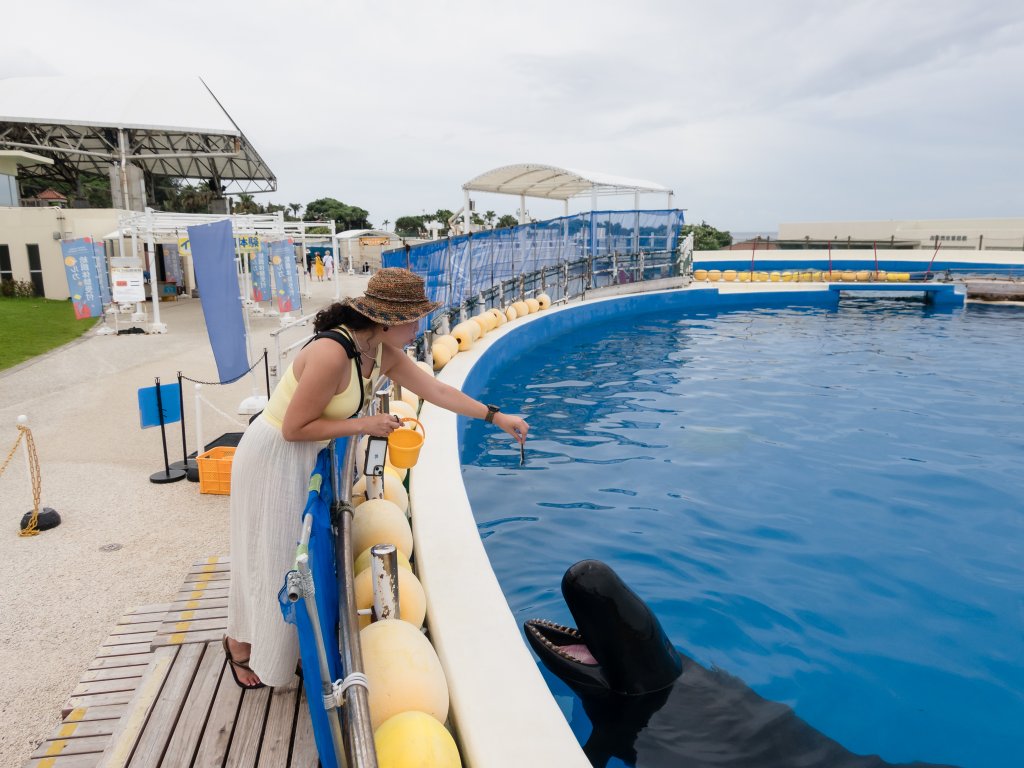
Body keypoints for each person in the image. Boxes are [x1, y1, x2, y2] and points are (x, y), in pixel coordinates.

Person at [224, 268, 528, 688]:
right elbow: (294, 427)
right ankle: (239, 644)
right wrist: (364, 426)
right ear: (386, 319)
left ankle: (278, 647)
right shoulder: (334, 353)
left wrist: (496, 417)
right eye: (414, 319)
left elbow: (436, 391)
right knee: (268, 553)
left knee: (291, 558)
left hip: (305, 456)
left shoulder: (379, 351)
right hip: (274, 457)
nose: (419, 327)